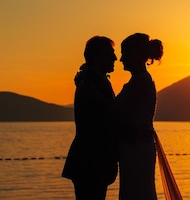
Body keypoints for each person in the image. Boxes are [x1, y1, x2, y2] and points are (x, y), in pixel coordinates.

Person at [62, 36, 119, 200]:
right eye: (110, 53)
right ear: (97, 56)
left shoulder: (91, 79)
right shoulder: (90, 82)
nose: (115, 58)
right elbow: (108, 117)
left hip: (91, 160)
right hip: (90, 161)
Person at [115, 33, 163, 200]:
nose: (121, 59)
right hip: (135, 147)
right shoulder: (140, 80)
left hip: (137, 148)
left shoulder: (140, 82)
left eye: (124, 53)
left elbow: (118, 114)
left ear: (136, 55)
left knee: (137, 192)